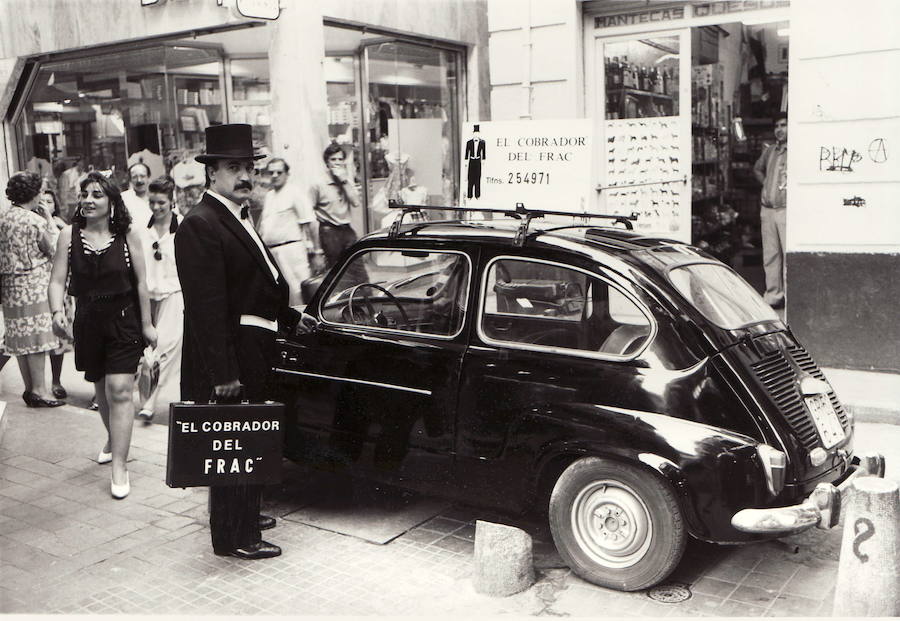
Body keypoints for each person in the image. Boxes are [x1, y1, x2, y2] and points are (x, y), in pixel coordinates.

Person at [175, 123, 310, 560]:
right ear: (211, 173)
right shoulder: (201, 224)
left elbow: (257, 286)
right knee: (232, 444)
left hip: (254, 350)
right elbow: (206, 310)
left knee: (248, 442)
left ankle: (246, 517)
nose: (245, 175)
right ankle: (234, 537)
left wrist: (291, 317)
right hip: (232, 358)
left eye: (248, 166)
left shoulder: (236, 215)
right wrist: (224, 375)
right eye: (234, 167)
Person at [48, 171, 156, 499]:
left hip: (124, 320)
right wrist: (56, 312)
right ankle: (114, 438)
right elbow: (56, 282)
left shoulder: (128, 235)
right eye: (85, 194)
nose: (89, 200)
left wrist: (148, 325)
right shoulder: (69, 234)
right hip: (88, 322)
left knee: (120, 389)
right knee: (103, 393)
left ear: (111, 201)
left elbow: (141, 283)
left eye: (97, 194)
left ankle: (119, 465)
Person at [0, 171, 64, 408]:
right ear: (34, 194)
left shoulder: (3, 218)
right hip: (34, 283)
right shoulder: (35, 221)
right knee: (37, 337)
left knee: (18, 338)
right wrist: (48, 217)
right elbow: (56, 249)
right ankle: (40, 389)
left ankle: (29, 388)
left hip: (10, 287)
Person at [137, 176, 183, 423]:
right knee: (148, 352)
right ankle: (145, 392)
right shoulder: (141, 231)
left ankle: (150, 401)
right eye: (152, 202)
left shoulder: (183, 227)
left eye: (161, 203)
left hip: (174, 294)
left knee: (165, 347)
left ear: (171, 201)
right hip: (147, 296)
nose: (155, 208)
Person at [257, 158, 324, 306]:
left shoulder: (294, 192)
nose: (274, 175)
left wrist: (317, 253)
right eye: (271, 172)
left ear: (287, 174)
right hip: (272, 253)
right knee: (279, 294)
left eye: (279, 172)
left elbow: (311, 222)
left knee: (299, 292)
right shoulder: (269, 196)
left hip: (292, 252)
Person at [39, 188, 74, 399]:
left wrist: (49, 220)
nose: (45, 204)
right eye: (42, 200)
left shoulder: (61, 225)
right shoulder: (31, 223)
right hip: (36, 287)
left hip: (59, 286)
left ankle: (56, 380)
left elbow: (56, 247)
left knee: (58, 337)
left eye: (49, 201)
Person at [311, 143, 365, 279]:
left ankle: (366, 297)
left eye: (340, 159)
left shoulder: (346, 180)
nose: (337, 163)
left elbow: (356, 202)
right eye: (333, 160)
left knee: (358, 268)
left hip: (347, 230)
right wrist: (316, 248)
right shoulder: (318, 183)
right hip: (329, 232)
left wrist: (344, 181)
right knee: (337, 273)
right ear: (327, 163)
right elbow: (310, 214)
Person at [753, 111, 788, 309]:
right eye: (776, 126)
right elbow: (757, 168)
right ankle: (774, 295)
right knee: (771, 254)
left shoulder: (796, 150)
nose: (779, 130)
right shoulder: (770, 151)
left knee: (787, 254)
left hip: (786, 209)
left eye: (783, 125)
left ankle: (790, 297)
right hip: (768, 210)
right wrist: (765, 183)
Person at [121, 162, 153, 229]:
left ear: (148, 177)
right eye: (135, 177)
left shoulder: (156, 196)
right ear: (130, 180)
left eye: (142, 176)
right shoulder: (123, 199)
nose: (139, 180)